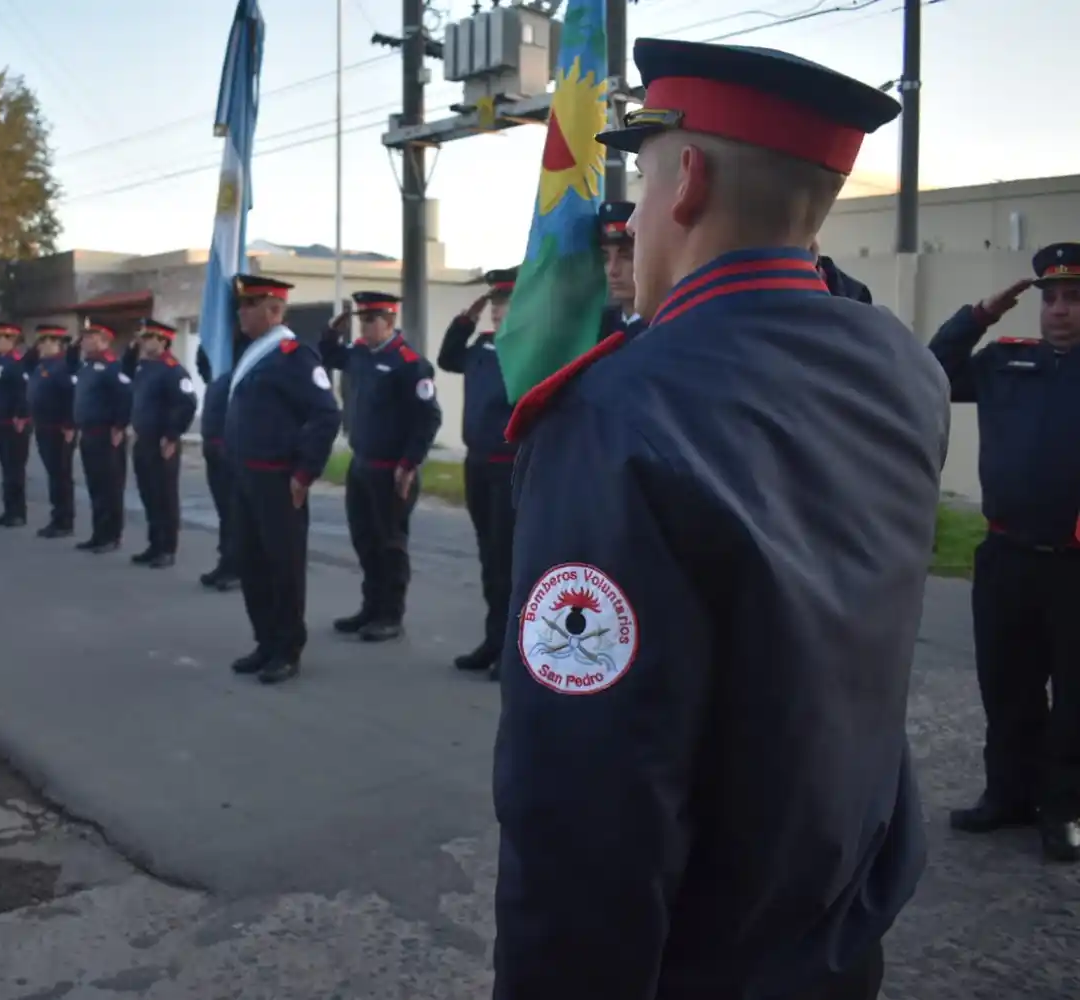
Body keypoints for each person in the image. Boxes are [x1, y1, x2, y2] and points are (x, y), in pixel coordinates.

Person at [491, 38, 949, 999]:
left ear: (687, 181)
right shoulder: (901, 365)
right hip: (839, 926)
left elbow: (587, 804)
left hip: (705, 962)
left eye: (645, 183)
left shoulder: (613, 416)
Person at [929, 244, 1080, 863]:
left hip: (1075, 564)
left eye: (1073, 299)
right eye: (1051, 299)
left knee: (1074, 698)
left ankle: (1065, 810)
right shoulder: (1005, 363)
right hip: (1006, 554)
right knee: (1006, 685)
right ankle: (1007, 795)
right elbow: (931, 369)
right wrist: (978, 316)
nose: (1060, 311)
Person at [224, 275, 341, 684]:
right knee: (252, 562)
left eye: (249, 304)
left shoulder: (293, 355)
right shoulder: (254, 352)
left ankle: (287, 649)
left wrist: (305, 471)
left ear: (274, 310)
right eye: (242, 304)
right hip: (246, 477)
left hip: (278, 480)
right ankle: (265, 641)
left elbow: (326, 414)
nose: (240, 312)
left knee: (282, 565)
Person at [319, 292, 443, 642]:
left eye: (371, 320)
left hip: (392, 470)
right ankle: (370, 607)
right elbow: (328, 356)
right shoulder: (360, 353)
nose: (365, 326)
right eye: (362, 320)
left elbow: (428, 418)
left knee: (390, 544)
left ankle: (391, 615)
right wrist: (333, 331)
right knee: (365, 540)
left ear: (389, 322)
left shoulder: (409, 364)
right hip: (361, 464)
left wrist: (409, 463)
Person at [437, 267, 520, 678]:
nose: (499, 313)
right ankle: (493, 639)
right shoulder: (481, 347)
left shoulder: (529, 348)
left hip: (511, 466)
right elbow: (447, 359)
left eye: (506, 304)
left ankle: (513, 650)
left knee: (510, 561)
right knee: (489, 558)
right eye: (496, 304)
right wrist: (465, 320)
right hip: (478, 464)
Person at [127, 319, 197, 568]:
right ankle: (154, 544)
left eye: (149, 338)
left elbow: (186, 404)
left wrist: (172, 435)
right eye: (143, 338)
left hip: (161, 442)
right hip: (143, 439)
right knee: (148, 494)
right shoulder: (144, 367)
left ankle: (167, 547)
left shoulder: (172, 369)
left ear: (163, 340)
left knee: (164, 496)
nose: (144, 342)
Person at [72, 322, 132, 553]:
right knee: (95, 486)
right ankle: (98, 533)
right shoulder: (86, 366)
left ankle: (111, 535)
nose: (85, 341)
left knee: (110, 488)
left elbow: (126, 396)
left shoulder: (112, 366)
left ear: (104, 340)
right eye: (84, 337)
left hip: (107, 435)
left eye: (90, 337)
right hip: (88, 434)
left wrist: (119, 426)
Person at [196, 342, 240, 591]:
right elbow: (202, 363)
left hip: (230, 448)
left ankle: (237, 567)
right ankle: (226, 561)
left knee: (235, 512)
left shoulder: (241, 368)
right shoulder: (216, 372)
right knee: (225, 512)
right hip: (212, 447)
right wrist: (209, 338)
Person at [28, 324, 79, 538]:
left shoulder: (63, 366)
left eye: (47, 341)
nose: (42, 345)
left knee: (61, 475)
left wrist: (69, 424)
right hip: (43, 426)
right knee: (53, 474)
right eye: (40, 341)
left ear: (58, 344)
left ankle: (64, 520)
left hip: (59, 429)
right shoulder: (41, 365)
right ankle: (57, 515)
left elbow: (72, 397)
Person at [0, 322, 33, 527]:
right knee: (6, 469)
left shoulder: (16, 363)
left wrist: (21, 416)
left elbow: (23, 392)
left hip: (13, 424)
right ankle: (9, 509)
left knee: (14, 470)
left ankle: (18, 513)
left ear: (11, 341)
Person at [598, 200, 646, 338]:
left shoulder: (665, 326)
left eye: (626, 256)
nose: (612, 270)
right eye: (605, 258)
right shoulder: (600, 327)